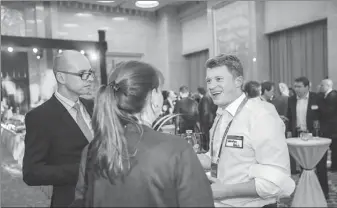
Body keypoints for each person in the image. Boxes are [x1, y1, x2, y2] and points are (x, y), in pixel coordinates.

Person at [71, 61, 214, 207]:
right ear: (153, 97)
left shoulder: (91, 150)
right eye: (160, 90)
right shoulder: (176, 150)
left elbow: (80, 202)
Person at [197, 54, 295, 207]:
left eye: (219, 79)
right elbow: (215, 156)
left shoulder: (261, 115)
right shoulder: (220, 115)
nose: (211, 86)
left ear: (238, 81)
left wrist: (225, 191)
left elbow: (276, 182)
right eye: (208, 80)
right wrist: (183, 157)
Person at [22, 50, 95, 207]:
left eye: (91, 73)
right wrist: (82, 171)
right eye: (83, 74)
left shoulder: (94, 107)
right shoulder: (40, 117)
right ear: (61, 77)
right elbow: (31, 172)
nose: (91, 79)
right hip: (71, 201)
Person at [319, 79, 337, 173]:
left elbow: (329, 112)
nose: (320, 87)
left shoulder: (332, 95)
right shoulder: (326, 95)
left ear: (328, 85)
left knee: (334, 147)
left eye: (322, 85)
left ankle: (334, 167)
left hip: (332, 127)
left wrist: (319, 109)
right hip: (330, 126)